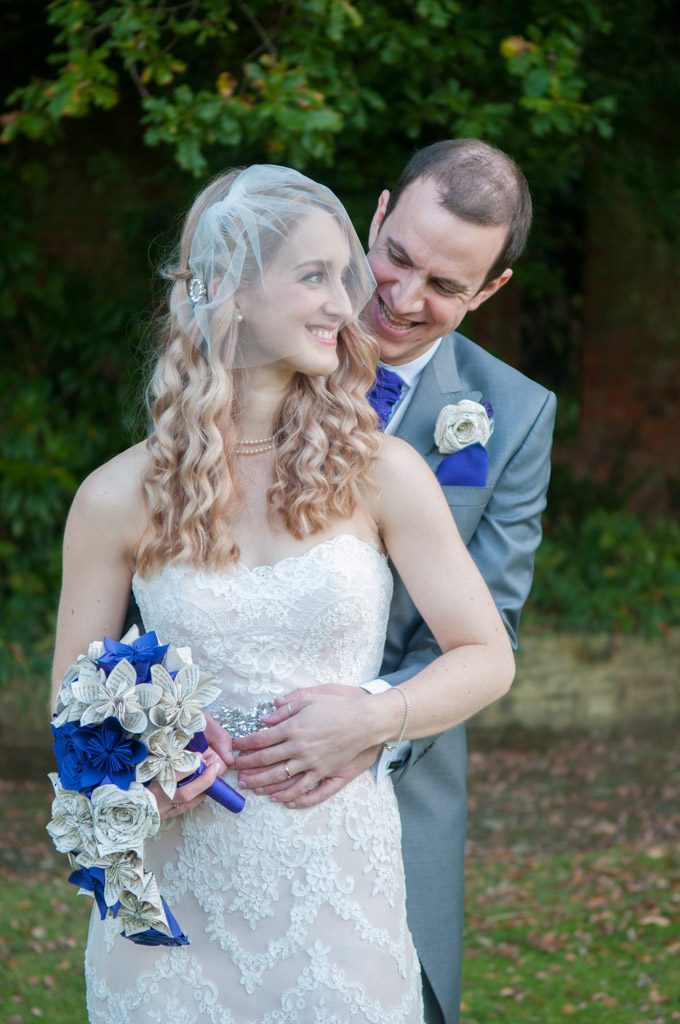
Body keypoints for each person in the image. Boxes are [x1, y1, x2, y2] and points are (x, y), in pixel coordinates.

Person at [51, 163, 515, 1023]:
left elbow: (487, 655)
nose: (349, 302)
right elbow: (72, 720)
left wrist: (377, 716)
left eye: (344, 274)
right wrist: (147, 779)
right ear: (229, 291)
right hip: (174, 911)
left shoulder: (384, 472)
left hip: (339, 896)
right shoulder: (114, 498)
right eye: (315, 277)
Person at [231, 141, 557, 1024]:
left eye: (446, 286)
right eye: (398, 257)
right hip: (217, 783)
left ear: (491, 289)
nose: (404, 299)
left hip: (392, 801)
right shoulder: (250, 344)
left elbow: (489, 633)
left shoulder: (513, 415)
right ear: (374, 217)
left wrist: (370, 721)